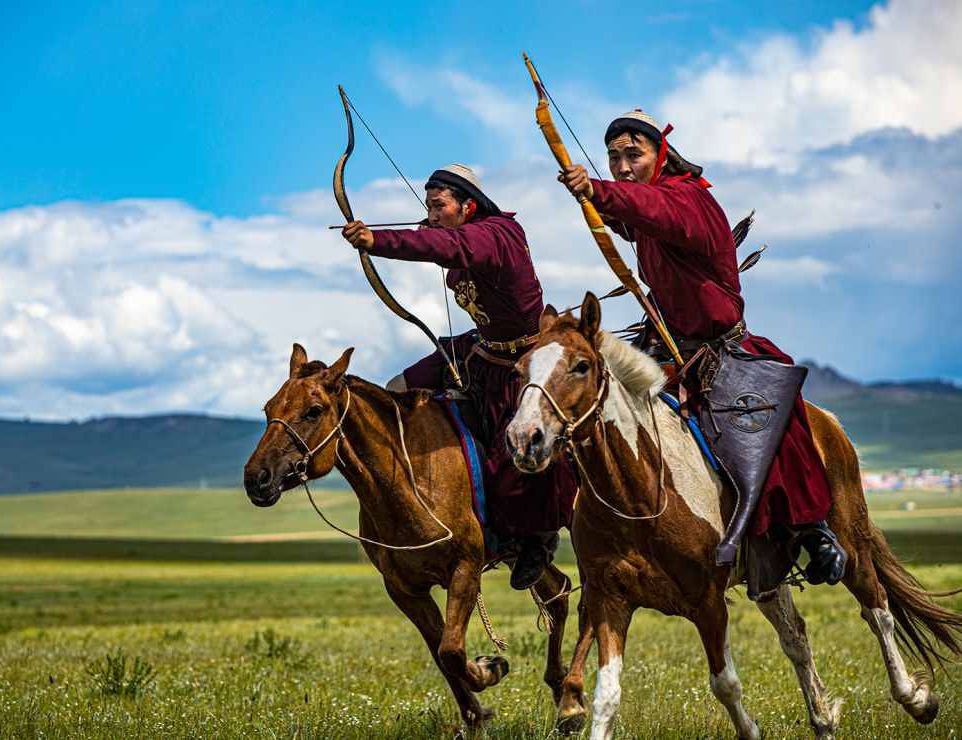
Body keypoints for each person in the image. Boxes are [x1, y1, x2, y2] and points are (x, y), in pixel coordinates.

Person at [557, 110, 846, 586]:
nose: (623, 166)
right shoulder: (650, 205)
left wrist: (598, 189)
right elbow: (636, 218)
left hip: (722, 349)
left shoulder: (691, 201)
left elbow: (655, 211)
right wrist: (601, 203)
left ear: (661, 153)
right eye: (614, 158)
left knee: (768, 424)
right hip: (667, 347)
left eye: (634, 155)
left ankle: (812, 530)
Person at [341, 163, 577, 589]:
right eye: (428, 207)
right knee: (397, 391)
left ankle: (537, 541)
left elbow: (454, 245)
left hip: (521, 362)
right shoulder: (463, 233)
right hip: (478, 348)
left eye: (439, 206)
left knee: (512, 463)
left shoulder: (496, 235)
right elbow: (445, 242)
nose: (432, 215)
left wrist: (378, 240)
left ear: (469, 206)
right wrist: (426, 230)